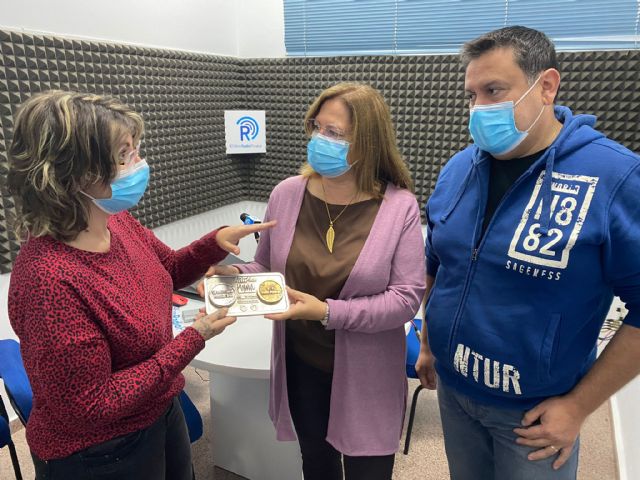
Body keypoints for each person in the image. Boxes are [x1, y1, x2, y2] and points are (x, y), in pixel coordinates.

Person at [6, 90, 273, 480]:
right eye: (123, 155)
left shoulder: (115, 221)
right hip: (101, 452)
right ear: (72, 172)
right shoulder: (48, 282)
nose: (139, 164)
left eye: (136, 150)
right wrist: (194, 337)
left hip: (159, 408)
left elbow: (169, 269)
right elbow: (92, 405)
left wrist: (213, 244)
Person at [415, 26, 640, 480]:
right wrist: (426, 343)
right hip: (454, 393)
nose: (479, 108)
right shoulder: (459, 168)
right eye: (472, 95)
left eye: (494, 91)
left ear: (547, 86)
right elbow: (438, 265)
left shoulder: (614, 177)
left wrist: (579, 406)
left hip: (535, 415)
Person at [201, 83, 426, 480]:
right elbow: (266, 267)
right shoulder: (288, 194)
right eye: (316, 127)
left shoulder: (399, 207)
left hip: (367, 372)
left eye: (334, 132)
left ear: (368, 142)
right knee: (317, 465)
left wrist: (327, 312)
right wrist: (232, 276)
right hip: (302, 364)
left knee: (368, 470)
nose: (320, 140)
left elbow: (405, 299)